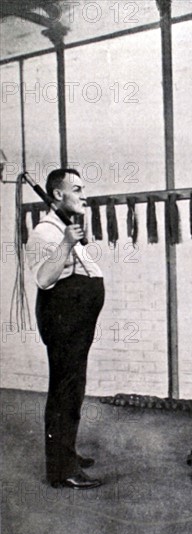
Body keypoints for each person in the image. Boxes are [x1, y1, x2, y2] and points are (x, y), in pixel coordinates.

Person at [26, 168, 104, 489]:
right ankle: (61, 469)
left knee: (73, 389)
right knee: (65, 392)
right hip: (62, 321)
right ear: (58, 194)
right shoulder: (44, 233)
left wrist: (71, 239)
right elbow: (44, 279)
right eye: (77, 189)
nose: (84, 194)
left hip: (77, 323)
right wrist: (65, 244)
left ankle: (66, 451)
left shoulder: (65, 227)